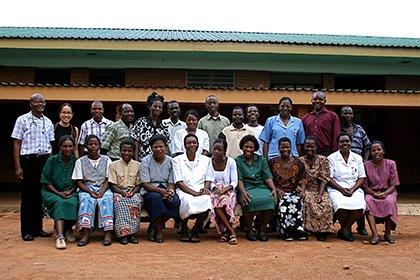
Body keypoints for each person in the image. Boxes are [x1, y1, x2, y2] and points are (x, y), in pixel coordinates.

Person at [11, 93, 55, 241]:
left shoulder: (48, 122)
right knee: (28, 196)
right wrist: (18, 167)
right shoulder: (22, 120)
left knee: (39, 196)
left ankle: (38, 229)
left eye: (42, 101)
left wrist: (49, 167)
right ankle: (26, 231)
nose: (40, 104)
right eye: (37, 101)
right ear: (30, 104)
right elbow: (17, 143)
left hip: (43, 161)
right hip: (28, 161)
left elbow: (50, 146)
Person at [72, 135, 113, 246]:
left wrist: (102, 191)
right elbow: (79, 182)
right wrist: (90, 192)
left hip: (103, 188)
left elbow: (109, 179)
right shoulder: (80, 161)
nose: (93, 146)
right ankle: (85, 234)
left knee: (107, 199)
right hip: (87, 189)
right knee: (86, 200)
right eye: (90, 144)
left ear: (100, 146)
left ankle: (108, 233)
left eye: (96, 144)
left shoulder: (106, 159)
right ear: (86, 146)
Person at [172, 134, 213, 243]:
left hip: (200, 189)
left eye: (194, 143)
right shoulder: (177, 160)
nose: (191, 145)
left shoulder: (206, 160)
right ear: (184, 146)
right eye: (188, 143)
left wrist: (205, 188)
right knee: (187, 200)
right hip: (185, 190)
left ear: (198, 145)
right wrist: (193, 193)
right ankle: (184, 227)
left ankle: (195, 229)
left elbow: (209, 177)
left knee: (207, 200)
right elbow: (179, 182)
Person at [236, 135, 277, 242]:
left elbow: (267, 176)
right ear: (242, 147)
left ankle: (262, 230)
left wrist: (273, 189)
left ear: (255, 148)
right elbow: (239, 178)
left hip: (261, 186)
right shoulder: (238, 160)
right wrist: (243, 192)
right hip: (246, 187)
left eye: (251, 147)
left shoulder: (261, 160)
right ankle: (249, 230)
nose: (248, 149)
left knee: (270, 200)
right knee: (248, 200)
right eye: (246, 147)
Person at [41, 135, 79, 249]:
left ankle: (68, 229)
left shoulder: (76, 161)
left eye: (70, 146)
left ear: (74, 147)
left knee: (75, 202)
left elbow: (78, 181)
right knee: (60, 202)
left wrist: (71, 191)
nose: (68, 149)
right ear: (60, 147)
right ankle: (60, 236)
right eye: (65, 146)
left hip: (70, 191)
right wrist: (58, 193)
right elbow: (46, 181)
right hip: (52, 192)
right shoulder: (51, 160)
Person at [141, 135, 181, 243]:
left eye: (161, 146)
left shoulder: (171, 161)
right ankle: (158, 230)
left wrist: (170, 192)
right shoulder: (145, 161)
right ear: (151, 148)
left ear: (166, 147)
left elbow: (171, 182)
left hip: (166, 188)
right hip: (151, 189)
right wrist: (160, 191)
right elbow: (145, 183)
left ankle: (155, 225)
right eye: (155, 147)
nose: (158, 149)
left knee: (175, 201)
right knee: (155, 198)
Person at [328, 133, 366, 242]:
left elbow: (362, 177)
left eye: (347, 141)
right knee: (340, 206)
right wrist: (341, 190)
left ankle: (345, 228)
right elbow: (329, 179)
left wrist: (353, 189)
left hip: (354, 187)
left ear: (351, 142)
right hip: (337, 188)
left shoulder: (357, 158)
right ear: (338, 144)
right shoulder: (331, 158)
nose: (345, 143)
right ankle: (346, 230)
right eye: (342, 141)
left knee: (359, 207)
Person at [340, 105, 371, 236]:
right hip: (342, 166)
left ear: (353, 115)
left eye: (350, 113)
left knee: (360, 193)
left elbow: (368, 146)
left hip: (358, 166)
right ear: (341, 115)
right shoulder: (338, 130)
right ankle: (345, 226)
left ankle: (361, 225)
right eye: (345, 113)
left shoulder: (359, 129)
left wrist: (364, 161)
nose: (347, 115)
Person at [268, 137, 307, 241]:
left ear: (291, 148)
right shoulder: (272, 162)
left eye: (287, 147)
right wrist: (276, 189)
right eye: (283, 147)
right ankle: (286, 230)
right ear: (278, 148)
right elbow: (268, 179)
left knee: (297, 201)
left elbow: (303, 179)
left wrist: (302, 189)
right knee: (284, 201)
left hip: (294, 190)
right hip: (279, 191)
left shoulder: (298, 163)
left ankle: (298, 229)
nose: (285, 149)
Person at [363, 141, 400, 245]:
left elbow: (393, 184)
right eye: (373, 150)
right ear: (370, 153)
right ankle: (374, 235)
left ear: (384, 151)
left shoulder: (391, 164)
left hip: (388, 191)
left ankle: (387, 234)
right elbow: (364, 185)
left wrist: (385, 193)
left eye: (379, 149)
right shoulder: (366, 165)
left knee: (389, 201)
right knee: (368, 201)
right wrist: (373, 193)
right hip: (372, 192)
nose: (376, 152)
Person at [299, 136, 334, 241]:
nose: (309, 149)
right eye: (307, 146)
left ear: (316, 147)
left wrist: (320, 194)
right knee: (308, 201)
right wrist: (303, 191)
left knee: (325, 203)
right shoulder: (300, 161)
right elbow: (301, 179)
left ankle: (323, 230)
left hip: (319, 188)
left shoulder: (323, 159)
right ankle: (311, 229)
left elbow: (324, 178)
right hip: (304, 188)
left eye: (312, 146)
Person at [108, 138, 142, 245]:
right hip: (119, 191)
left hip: (133, 191)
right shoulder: (113, 165)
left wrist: (133, 192)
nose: (126, 153)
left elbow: (139, 184)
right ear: (120, 151)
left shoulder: (138, 165)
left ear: (133, 152)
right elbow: (112, 184)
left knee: (136, 201)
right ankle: (122, 235)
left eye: (129, 151)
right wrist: (122, 192)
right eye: (124, 150)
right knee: (120, 202)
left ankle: (132, 234)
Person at [209, 139, 238, 245]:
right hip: (215, 191)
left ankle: (226, 232)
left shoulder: (231, 162)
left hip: (229, 190)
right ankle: (230, 231)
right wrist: (216, 189)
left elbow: (234, 182)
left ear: (224, 151)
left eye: (220, 150)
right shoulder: (209, 161)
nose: (216, 152)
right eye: (215, 149)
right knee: (216, 200)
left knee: (225, 200)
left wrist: (224, 190)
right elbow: (209, 180)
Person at [131, 92, 170, 161]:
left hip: (160, 162)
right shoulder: (140, 122)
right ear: (149, 107)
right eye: (155, 106)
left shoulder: (164, 124)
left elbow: (166, 145)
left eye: (160, 107)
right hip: (143, 160)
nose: (157, 109)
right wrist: (136, 160)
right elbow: (136, 143)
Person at [302, 91, 340, 156]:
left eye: (321, 99)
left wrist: (334, 153)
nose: (317, 101)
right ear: (311, 101)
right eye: (315, 99)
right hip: (308, 153)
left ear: (325, 101)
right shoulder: (305, 118)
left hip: (326, 152)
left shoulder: (333, 116)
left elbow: (336, 136)